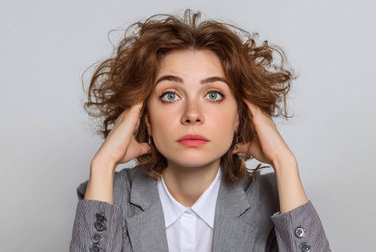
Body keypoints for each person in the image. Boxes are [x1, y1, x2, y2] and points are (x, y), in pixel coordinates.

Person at [70, 9, 331, 252]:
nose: (192, 114)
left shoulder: (273, 198)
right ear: (145, 118)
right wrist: (102, 165)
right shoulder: (110, 196)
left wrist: (285, 163)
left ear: (239, 117)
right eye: (170, 95)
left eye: (214, 94)